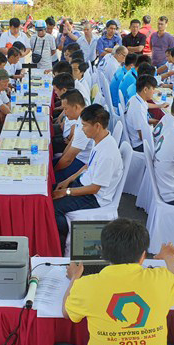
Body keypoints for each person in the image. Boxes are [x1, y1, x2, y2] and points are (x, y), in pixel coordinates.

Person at [51, 218, 174, 345]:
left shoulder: (87, 285)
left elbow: (67, 313)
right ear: (143, 255)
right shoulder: (161, 279)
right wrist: (169, 257)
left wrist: (75, 276)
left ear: (103, 252)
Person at [53, 105, 123, 250]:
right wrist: (68, 181)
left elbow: (94, 189)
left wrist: (66, 192)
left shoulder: (107, 153)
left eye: (84, 125)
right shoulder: (100, 141)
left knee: (53, 208)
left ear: (97, 126)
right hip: (83, 184)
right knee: (51, 192)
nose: (82, 129)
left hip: (94, 198)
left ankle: (64, 238)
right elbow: (87, 167)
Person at [54, 89, 93, 182]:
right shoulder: (82, 116)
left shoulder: (85, 125)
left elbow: (68, 159)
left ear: (76, 107)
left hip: (82, 163)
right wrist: (61, 157)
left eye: (66, 109)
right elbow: (71, 144)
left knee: (51, 179)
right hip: (76, 158)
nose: (65, 113)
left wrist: (53, 171)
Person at [125, 74, 158, 151]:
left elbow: (143, 120)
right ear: (145, 89)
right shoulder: (138, 108)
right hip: (139, 145)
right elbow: (142, 137)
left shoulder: (135, 98)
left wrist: (156, 123)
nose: (154, 92)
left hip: (135, 136)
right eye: (153, 89)